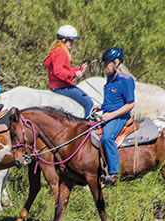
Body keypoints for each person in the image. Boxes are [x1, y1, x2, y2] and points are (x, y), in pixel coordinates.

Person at [93, 47, 135, 185]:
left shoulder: (126, 80)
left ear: (117, 62)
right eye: (105, 63)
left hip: (120, 117)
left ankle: (113, 173)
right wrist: (101, 107)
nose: (106, 66)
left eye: (108, 63)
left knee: (107, 137)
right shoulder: (110, 78)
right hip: (108, 114)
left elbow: (130, 104)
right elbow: (112, 100)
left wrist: (111, 116)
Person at [43, 25, 92, 118]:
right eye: (71, 40)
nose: (72, 43)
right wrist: (74, 74)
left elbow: (64, 69)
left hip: (56, 86)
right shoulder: (61, 52)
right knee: (89, 103)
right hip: (62, 87)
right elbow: (58, 71)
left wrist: (78, 68)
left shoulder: (56, 50)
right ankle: (88, 128)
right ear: (64, 40)